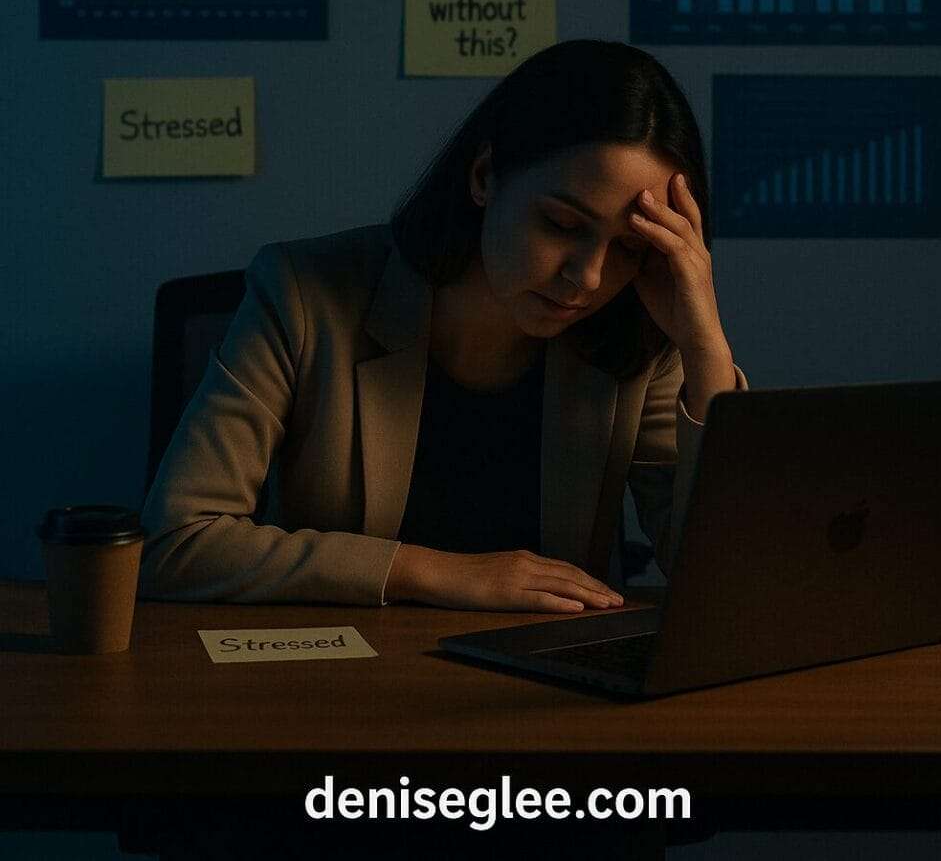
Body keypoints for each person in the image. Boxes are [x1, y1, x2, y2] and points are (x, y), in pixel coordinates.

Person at [138, 38, 746, 613]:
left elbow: (726, 579)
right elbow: (177, 542)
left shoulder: (636, 333)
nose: (588, 278)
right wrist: (438, 572)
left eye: (628, 249)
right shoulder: (302, 294)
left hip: (544, 692)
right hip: (348, 681)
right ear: (484, 177)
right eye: (562, 225)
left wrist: (705, 345)